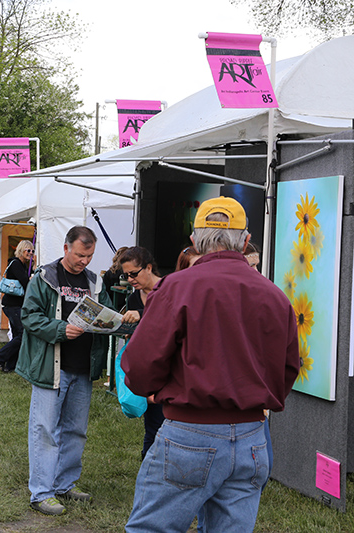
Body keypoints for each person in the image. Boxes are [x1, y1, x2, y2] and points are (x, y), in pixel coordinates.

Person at [123, 197, 300, 533]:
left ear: (194, 240)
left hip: (189, 433)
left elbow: (141, 366)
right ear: (246, 241)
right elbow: (289, 367)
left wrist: (157, 390)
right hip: (252, 437)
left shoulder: (176, 287)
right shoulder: (275, 295)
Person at [16, 226, 111, 516]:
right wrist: (60, 329)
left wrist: (113, 319)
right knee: (45, 429)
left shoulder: (95, 282)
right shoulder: (44, 277)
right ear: (66, 247)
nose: (85, 261)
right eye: (81, 255)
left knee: (75, 430)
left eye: (90, 255)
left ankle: (65, 484)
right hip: (50, 367)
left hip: (83, 368)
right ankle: (41, 493)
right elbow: (29, 317)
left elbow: (105, 310)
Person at [117, 247, 163, 460]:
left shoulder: (168, 289)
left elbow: (169, 318)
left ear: (149, 268)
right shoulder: (134, 298)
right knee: (152, 426)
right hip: (149, 370)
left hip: (169, 369)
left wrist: (142, 315)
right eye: (126, 275)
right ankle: (149, 468)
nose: (130, 279)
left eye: (133, 274)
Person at [0, 240, 34, 372]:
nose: (31, 253)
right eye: (28, 250)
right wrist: (32, 276)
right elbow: (25, 282)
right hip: (12, 305)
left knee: (17, 335)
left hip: (15, 304)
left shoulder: (21, 265)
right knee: (22, 335)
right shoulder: (16, 264)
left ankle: (10, 366)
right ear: (21, 250)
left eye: (32, 251)